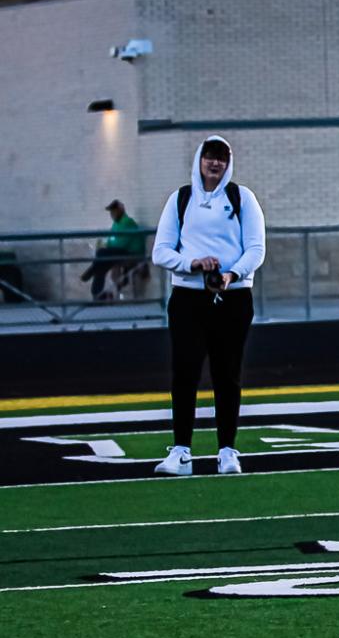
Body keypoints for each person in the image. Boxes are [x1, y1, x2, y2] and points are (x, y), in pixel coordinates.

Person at [150, 136, 266, 478]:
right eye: (209, 157)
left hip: (233, 296)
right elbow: (161, 251)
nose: (214, 164)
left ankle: (227, 451)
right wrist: (193, 263)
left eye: (221, 158)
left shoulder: (242, 198)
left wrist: (232, 273)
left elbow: (256, 249)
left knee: (227, 374)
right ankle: (181, 452)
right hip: (188, 298)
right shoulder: (180, 199)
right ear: (199, 160)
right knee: (184, 373)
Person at [81, 200, 145, 301]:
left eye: (114, 211)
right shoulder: (116, 224)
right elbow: (112, 241)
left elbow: (121, 244)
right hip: (120, 252)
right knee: (100, 265)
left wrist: (106, 246)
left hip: (131, 253)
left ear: (121, 210)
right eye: (111, 212)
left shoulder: (127, 222)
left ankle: (91, 271)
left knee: (101, 255)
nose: (112, 214)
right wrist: (105, 245)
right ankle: (96, 295)